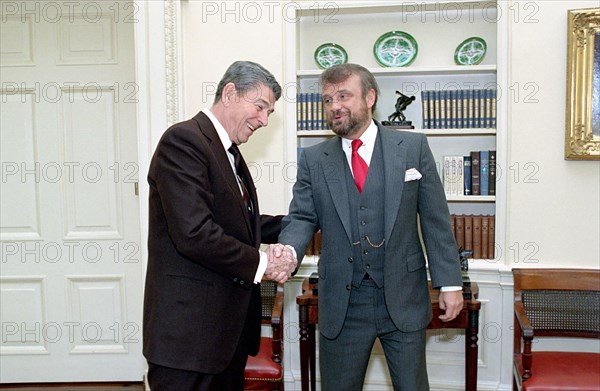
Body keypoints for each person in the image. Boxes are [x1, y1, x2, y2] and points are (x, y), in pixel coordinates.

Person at [278, 63, 464, 390]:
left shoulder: (413, 148)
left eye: (344, 95)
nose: (334, 105)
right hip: (343, 303)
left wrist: (450, 283)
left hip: (403, 297)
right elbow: (302, 217)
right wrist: (290, 251)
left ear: (370, 97)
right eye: (327, 99)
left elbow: (435, 219)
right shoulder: (314, 159)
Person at [143, 61, 296, 391]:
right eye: (260, 107)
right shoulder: (183, 141)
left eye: (269, 112)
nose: (264, 121)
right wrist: (265, 263)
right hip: (188, 340)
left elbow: (240, 224)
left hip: (225, 338)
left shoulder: (230, 153)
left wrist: (300, 223)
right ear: (230, 93)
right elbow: (195, 233)